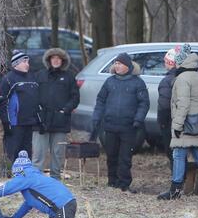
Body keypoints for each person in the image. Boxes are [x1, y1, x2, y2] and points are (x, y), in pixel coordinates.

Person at [157, 51, 198, 200]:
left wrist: (177, 125)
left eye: (177, 61)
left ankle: (175, 189)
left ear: (182, 62)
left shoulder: (182, 78)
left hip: (186, 123)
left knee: (178, 154)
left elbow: (183, 104)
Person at [91, 53, 149, 192]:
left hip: (129, 127)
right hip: (110, 125)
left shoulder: (138, 82)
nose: (117, 66)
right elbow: (100, 101)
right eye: (115, 63)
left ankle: (124, 184)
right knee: (111, 155)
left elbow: (144, 103)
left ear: (127, 66)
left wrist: (138, 119)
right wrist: (96, 117)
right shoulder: (110, 82)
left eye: (120, 63)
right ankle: (112, 182)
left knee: (125, 157)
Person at [36, 48, 79, 180]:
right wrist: (37, 110)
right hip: (41, 120)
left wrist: (65, 110)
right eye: (53, 58)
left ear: (62, 61)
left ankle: (55, 178)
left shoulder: (69, 76)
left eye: (58, 58)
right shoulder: (40, 75)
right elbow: (32, 94)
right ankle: (36, 180)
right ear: (49, 60)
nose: (55, 60)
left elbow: (75, 98)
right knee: (38, 153)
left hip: (60, 120)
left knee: (58, 152)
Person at [0, 52, 41, 163]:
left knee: (26, 153)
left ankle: (25, 175)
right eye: (24, 61)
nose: (27, 64)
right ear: (16, 64)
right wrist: (6, 122)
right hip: (15, 123)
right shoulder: (8, 79)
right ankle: (10, 174)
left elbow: (36, 99)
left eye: (28, 61)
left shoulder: (32, 77)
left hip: (29, 122)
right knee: (13, 152)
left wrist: (39, 119)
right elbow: (2, 102)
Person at [157, 44, 189, 165]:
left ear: (171, 62)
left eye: (166, 61)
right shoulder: (191, 77)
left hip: (172, 123)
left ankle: (178, 179)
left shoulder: (167, 81)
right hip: (189, 122)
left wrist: (163, 124)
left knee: (174, 154)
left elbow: (164, 106)